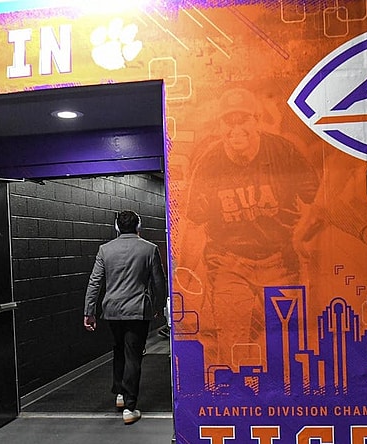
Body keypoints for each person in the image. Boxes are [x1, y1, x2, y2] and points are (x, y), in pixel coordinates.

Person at [182, 87, 320, 369]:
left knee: (285, 346)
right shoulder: (209, 163)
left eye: (243, 118)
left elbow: (316, 201)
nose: (236, 127)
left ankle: (284, 406)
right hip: (229, 263)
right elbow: (195, 224)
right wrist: (183, 276)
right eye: (228, 120)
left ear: (256, 120)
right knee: (233, 346)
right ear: (220, 126)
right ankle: (237, 402)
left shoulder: (282, 151)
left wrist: (307, 245)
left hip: (281, 262)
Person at [83, 210, 167, 425]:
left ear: (117, 227)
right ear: (139, 226)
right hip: (137, 311)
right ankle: (129, 406)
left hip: (111, 310)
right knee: (133, 355)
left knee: (119, 349)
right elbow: (159, 281)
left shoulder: (105, 250)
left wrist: (89, 311)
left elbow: (95, 282)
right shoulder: (149, 249)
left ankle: (120, 393)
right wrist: (159, 307)